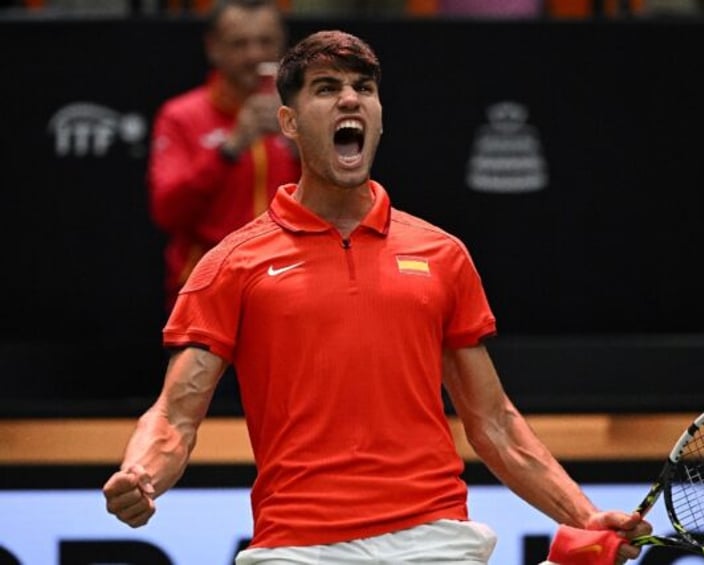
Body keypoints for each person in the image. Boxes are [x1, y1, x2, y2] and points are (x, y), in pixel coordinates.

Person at [103, 30, 651, 564]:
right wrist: (142, 474)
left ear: (380, 116)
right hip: (297, 546)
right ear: (288, 123)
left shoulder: (442, 254)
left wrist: (582, 516)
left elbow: (495, 423)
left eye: (364, 88)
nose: (349, 98)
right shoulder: (230, 264)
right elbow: (176, 416)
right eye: (326, 87)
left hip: (430, 536)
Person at [148, 0, 300, 311]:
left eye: (265, 42)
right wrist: (230, 148)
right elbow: (167, 210)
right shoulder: (181, 116)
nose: (254, 55)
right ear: (213, 48)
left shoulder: (304, 117)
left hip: (289, 286)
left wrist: (302, 143)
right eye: (239, 44)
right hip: (207, 288)